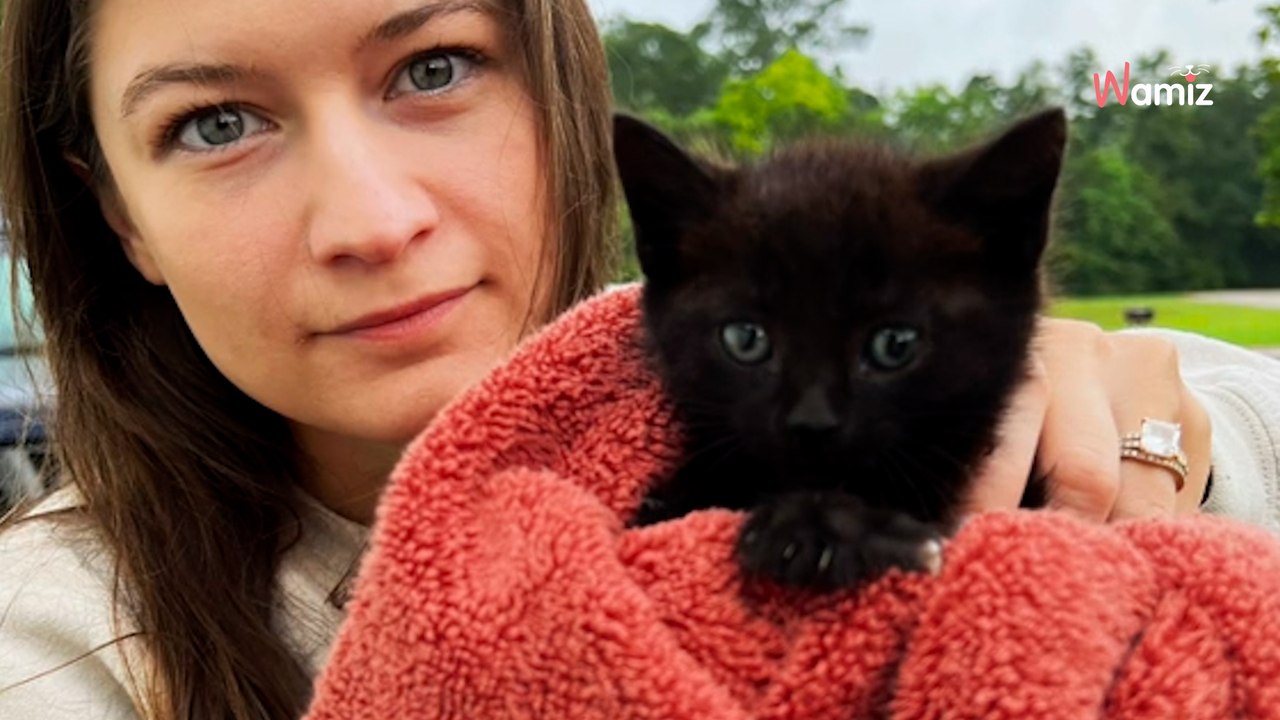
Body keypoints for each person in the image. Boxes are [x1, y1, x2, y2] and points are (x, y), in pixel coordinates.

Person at [0, 0, 1275, 718]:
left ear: (556, 90)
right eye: (215, 122)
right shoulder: (53, 643)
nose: (372, 222)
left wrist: (1161, 445)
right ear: (116, 212)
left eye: (431, 67)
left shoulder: (1009, 396)